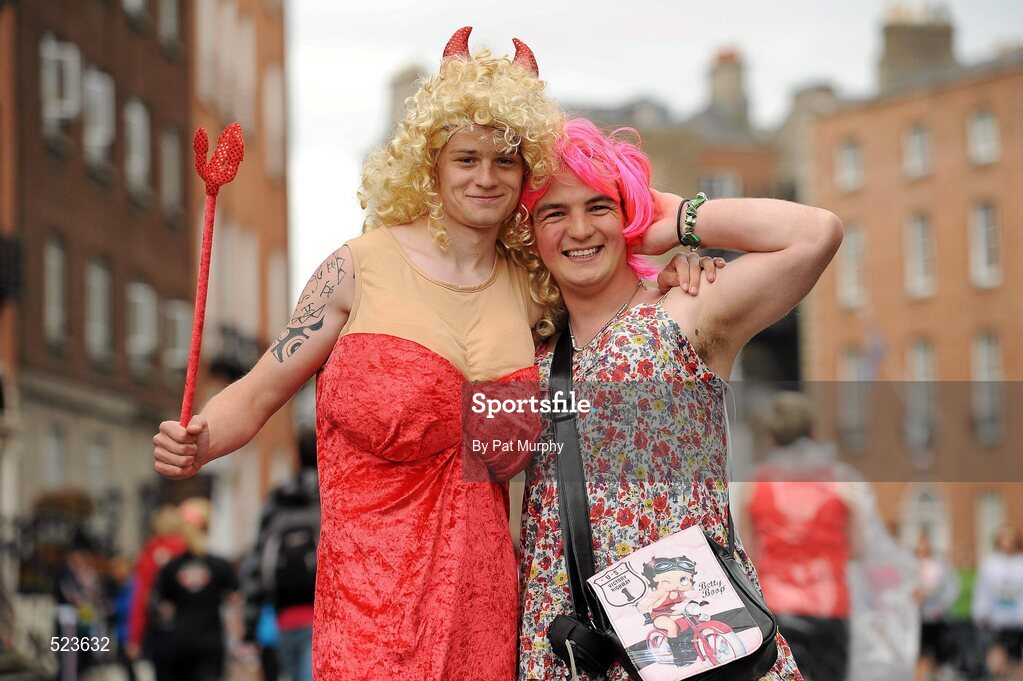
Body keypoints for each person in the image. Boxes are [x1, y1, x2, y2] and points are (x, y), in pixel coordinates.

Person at [516, 118, 843, 679]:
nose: (579, 229)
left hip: (692, 642)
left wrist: (679, 220)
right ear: (531, 232)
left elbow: (817, 233)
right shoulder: (523, 346)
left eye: (600, 206)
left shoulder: (685, 308)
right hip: (570, 648)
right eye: (553, 213)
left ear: (629, 217)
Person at [742, 391, 863, 681]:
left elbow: (747, 555)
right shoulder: (841, 481)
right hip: (830, 606)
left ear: (771, 439)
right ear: (814, 433)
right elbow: (858, 547)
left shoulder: (755, 486)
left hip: (778, 608)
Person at [240, 427, 319, 681]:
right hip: (325, 615)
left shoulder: (278, 499)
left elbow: (256, 560)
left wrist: (249, 626)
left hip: (283, 616)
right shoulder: (336, 494)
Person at [149, 498, 239, 681]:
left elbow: (158, 604)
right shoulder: (220, 565)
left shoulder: (171, 567)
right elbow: (235, 600)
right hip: (210, 642)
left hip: (179, 642)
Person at [972, 527, 1023, 680]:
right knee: (997, 660)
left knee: (1016, 662)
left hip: (1017, 622)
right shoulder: (990, 564)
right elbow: (983, 589)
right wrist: (981, 613)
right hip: (996, 620)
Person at [914, 531, 959, 681]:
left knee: (938, 654)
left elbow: (951, 588)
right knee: (920, 654)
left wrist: (942, 606)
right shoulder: (910, 563)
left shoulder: (939, 564)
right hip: (918, 617)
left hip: (937, 617)